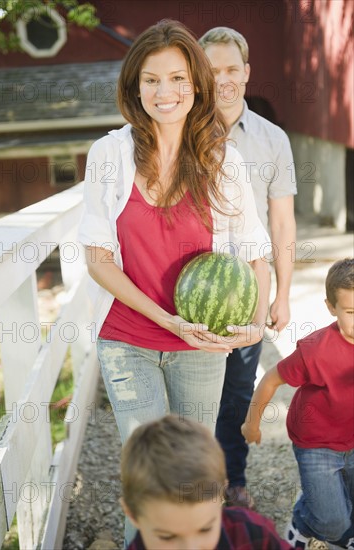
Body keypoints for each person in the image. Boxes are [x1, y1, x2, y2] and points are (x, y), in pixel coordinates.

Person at [78, 19, 271, 545]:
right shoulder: (109, 157)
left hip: (203, 343)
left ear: (196, 86)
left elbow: (256, 250)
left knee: (194, 472)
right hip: (129, 337)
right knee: (147, 475)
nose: (165, 92)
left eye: (178, 79)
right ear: (135, 87)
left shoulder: (221, 160)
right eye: (151, 80)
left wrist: (255, 326)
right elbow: (97, 259)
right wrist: (166, 318)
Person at [199, 27, 297, 509]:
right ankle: (195, 482)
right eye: (212, 70)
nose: (223, 80)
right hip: (189, 283)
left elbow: (282, 220)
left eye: (231, 69)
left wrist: (281, 294)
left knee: (238, 389)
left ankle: (232, 480)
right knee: (194, 388)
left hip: (249, 288)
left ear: (247, 72)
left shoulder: (272, 139)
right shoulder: (181, 134)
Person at [241, 258, 354, 550]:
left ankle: (315, 513)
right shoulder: (315, 351)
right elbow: (270, 381)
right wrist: (251, 424)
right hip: (317, 445)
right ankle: (312, 522)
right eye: (351, 311)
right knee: (334, 523)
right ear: (331, 307)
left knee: (347, 506)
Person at [121, 414, 293, 549]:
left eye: (205, 529)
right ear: (132, 514)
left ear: (221, 496)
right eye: (167, 537)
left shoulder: (252, 532)